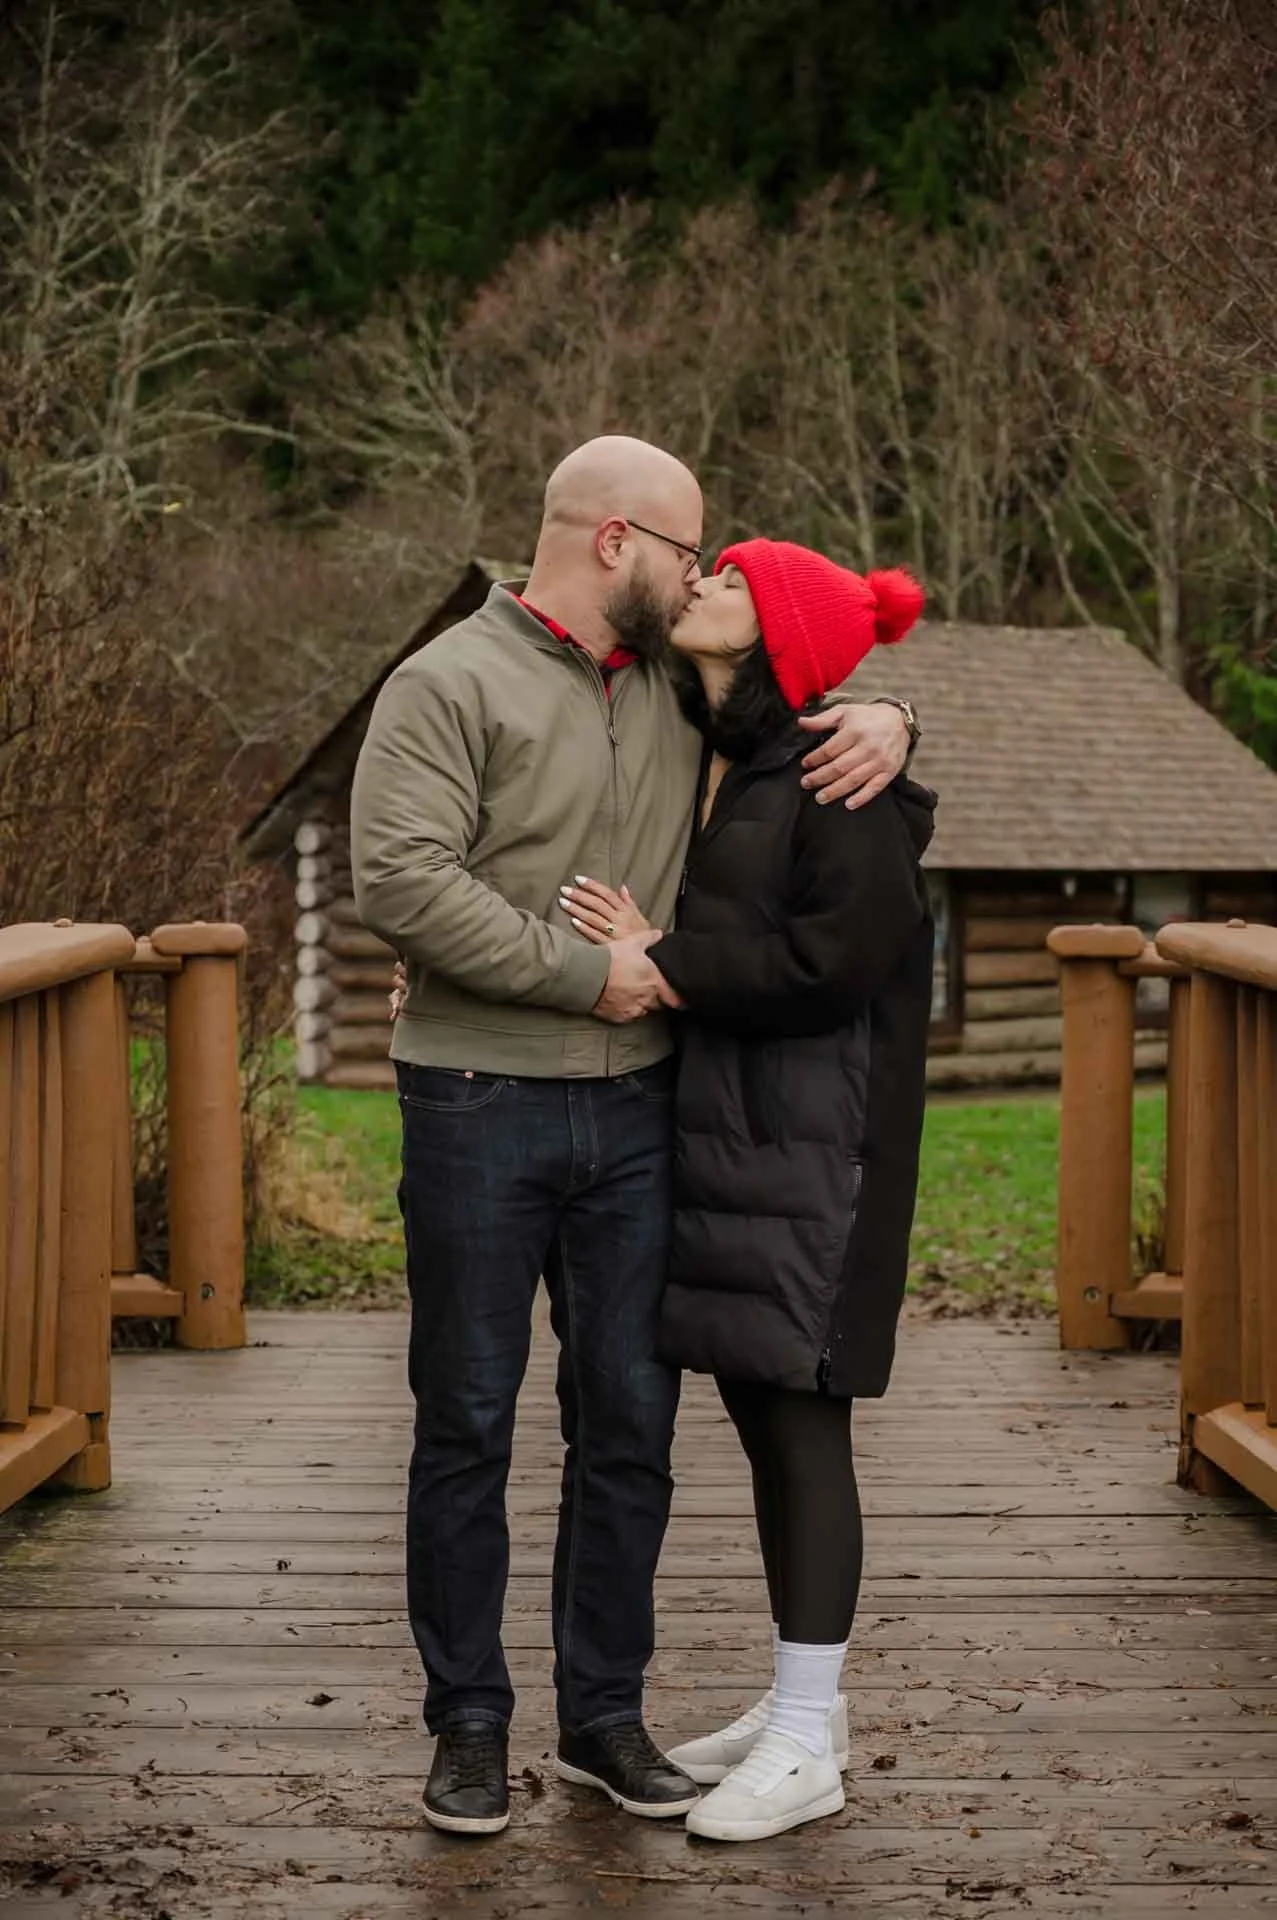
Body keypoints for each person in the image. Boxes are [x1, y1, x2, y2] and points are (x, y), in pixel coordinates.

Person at [350, 436, 916, 1838]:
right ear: (616, 542)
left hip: (642, 1110)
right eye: (688, 550)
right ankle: (469, 1723)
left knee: (629, 1425)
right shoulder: (443, 682)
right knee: (467, 1418)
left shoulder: (674, 685)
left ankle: (603, 1716)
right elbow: (402, 879)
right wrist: (582, 972)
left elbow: (798, 702)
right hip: (475, 1097)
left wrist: (897, 714)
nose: (702, 571)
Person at [561, 538, 935, 1843]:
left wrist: (665, 960)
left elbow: (836, 965)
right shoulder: (721, 750)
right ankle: (802, 1711)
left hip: (823, 1152)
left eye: (732, 578)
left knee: (804, 1426)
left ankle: (807, 1741)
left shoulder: (838, 776)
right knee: (764, 1417)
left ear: (777, 630)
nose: (705, 582)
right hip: (738, 1145)